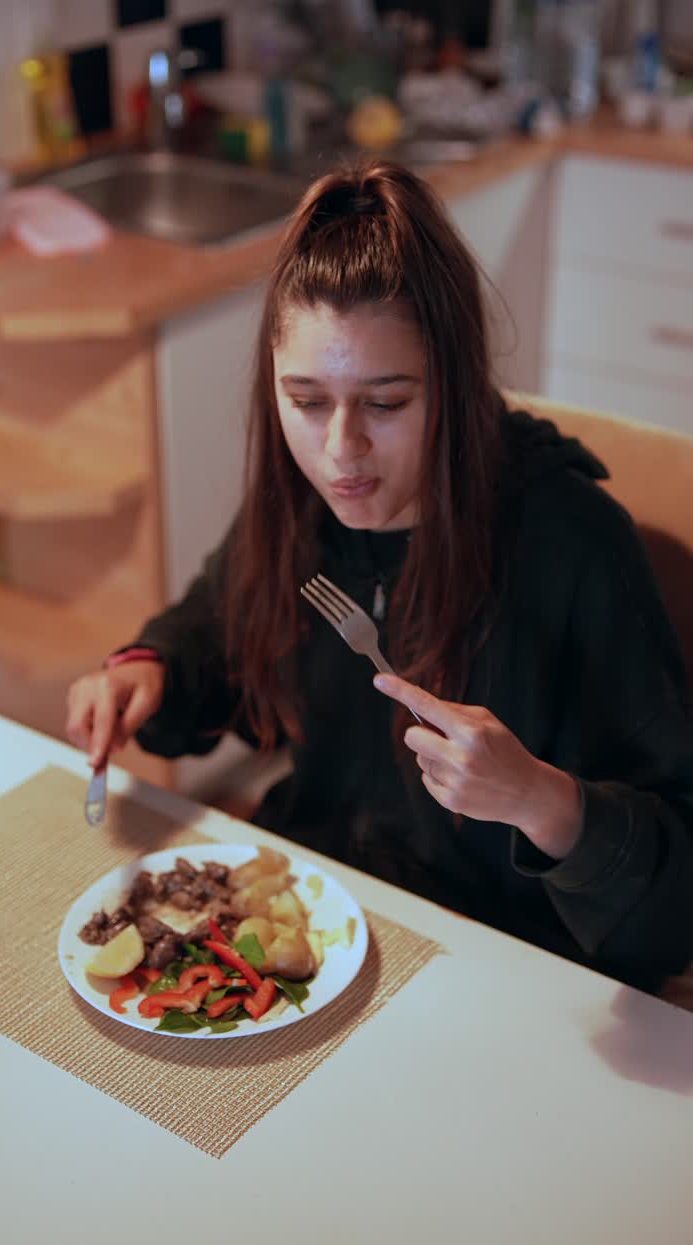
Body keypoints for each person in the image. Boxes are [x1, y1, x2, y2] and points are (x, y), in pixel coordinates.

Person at [66, 160, 693, 995]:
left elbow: (674, 910)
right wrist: (149, 668)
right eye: (308, 401)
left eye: (387, 403)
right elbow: (217, 634)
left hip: (506, 968)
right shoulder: (298, 509)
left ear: (456, 386)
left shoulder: (572, 545)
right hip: (322, 929)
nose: (340, 452)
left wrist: (544, 802)